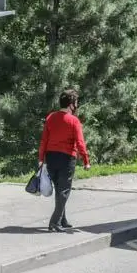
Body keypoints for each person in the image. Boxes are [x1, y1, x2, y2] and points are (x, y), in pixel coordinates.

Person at [38, 89, 91, 232]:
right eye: (76, 103)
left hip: (51, 157)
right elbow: (80, 142)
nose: (77, 105)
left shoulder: (50, 117)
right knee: (64, 190)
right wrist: (86, 160)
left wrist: (41, 158)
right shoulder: (74, 120)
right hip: (67, 158)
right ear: (71, 104)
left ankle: (63, 219)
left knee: (59, 189)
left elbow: (44, 140)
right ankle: (54, 222)